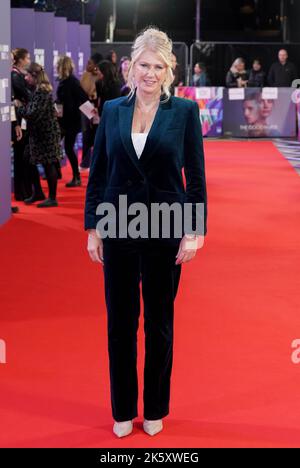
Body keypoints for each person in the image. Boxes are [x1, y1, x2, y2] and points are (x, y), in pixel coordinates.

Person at [85, 27, 207, 438]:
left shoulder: (185, 113)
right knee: (120, 324)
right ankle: (122, 409)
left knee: (159, 324)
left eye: (159, 66)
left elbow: (195, 179)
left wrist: (193, 231)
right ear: (130, 66)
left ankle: (154, 407)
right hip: (118, 226)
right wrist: (93, 228)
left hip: (165, 229)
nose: (150, 73)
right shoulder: (115, 109)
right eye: (144, 65)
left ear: (169, 71)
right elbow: (99, 172)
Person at [17, 63, 62, 207]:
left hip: (46, 134)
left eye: (28, 75)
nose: (25, 78)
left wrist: (19, 109)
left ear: (34, 76)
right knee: (28, 158)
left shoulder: (41, 92)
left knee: (48, 164)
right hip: (41, 134)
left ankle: (52, 197)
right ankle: (38, 192)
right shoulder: (39, 91)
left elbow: (32, 114)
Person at [56, 56, 89, 187]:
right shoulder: (64, 82)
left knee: (68, 148)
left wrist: (94, 117)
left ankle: (76, 176)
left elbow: (83, 99)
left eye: (58, 65)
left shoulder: (73, 82)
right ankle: (56, 172)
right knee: (57, 145)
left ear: (63, 67)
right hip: (63, 121)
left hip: (71, 122)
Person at [11, 48, 34, 201]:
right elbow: (26, 95)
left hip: (22, 118)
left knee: (24, 156)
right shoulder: (15, 76)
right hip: (18, 120)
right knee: (21, 156)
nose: (29, 60)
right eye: (27, 58)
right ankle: (21, 191)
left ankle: (25, 190)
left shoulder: (20, 76)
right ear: (20, 60)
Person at [80, 53, 103, 170]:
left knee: (96, 135)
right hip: (86, 106)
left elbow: (97, 93)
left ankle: (96, 163)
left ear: (95, 65)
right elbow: (83, 91)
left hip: (96, 107)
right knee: (86, 134)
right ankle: (84, 163)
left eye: (89, 63)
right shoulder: (85, 75)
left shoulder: (99, 76)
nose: (87, 65)